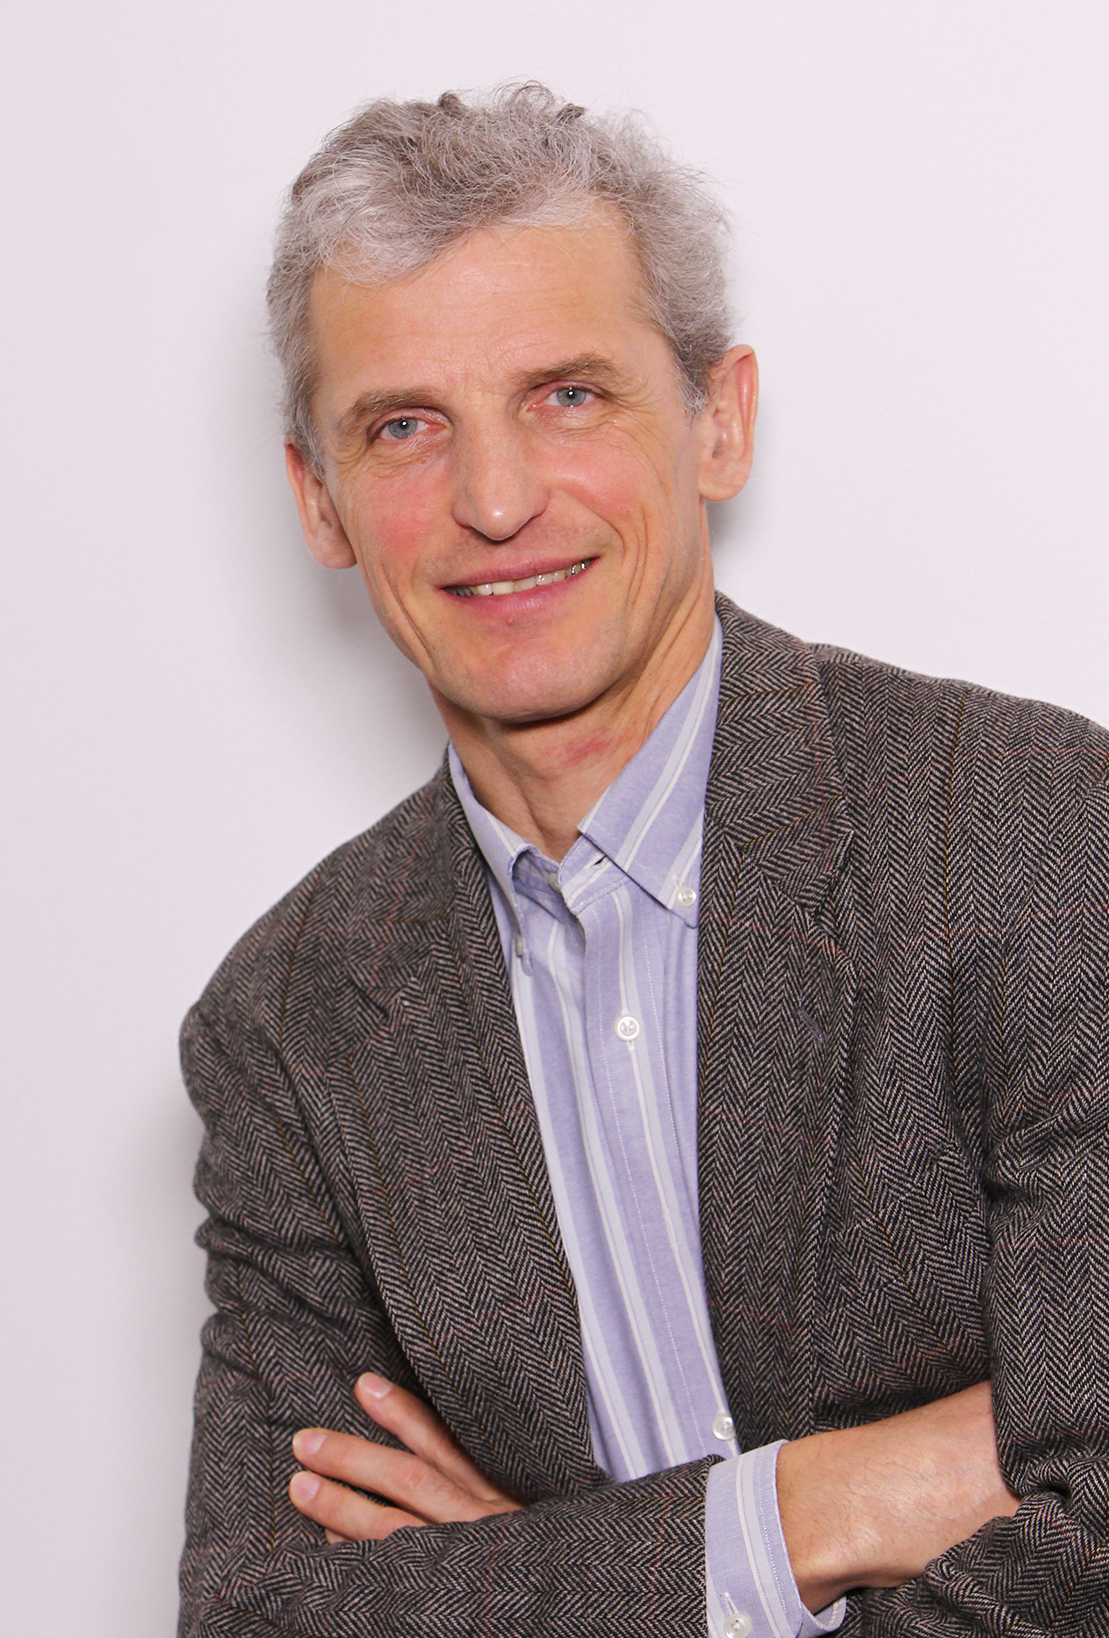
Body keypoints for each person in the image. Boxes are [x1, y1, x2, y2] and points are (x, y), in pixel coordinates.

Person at [178, 84, 1109, 1636]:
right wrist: (817, 1504)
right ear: (318, 502)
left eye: (569, 396)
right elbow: (262, 1615)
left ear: (719, 419)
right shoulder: (289, 1026)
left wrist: (542, 1567)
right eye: (403, 427)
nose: (492, 500)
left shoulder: (1034, 831)